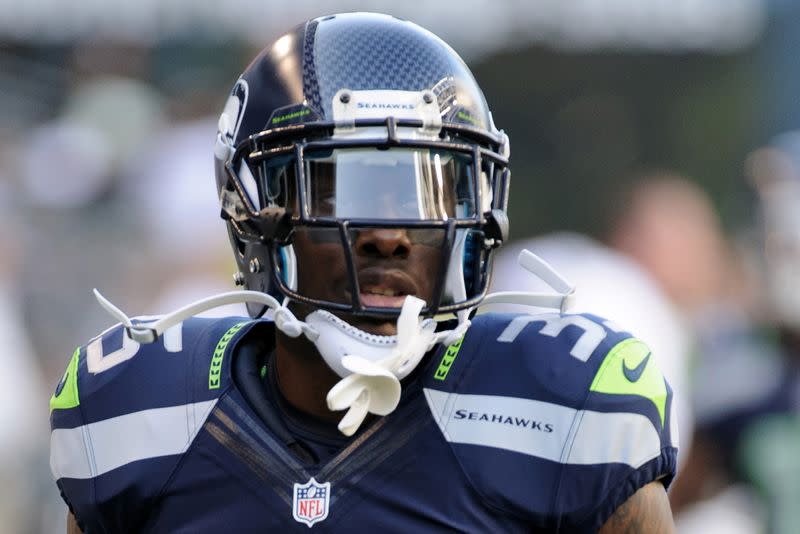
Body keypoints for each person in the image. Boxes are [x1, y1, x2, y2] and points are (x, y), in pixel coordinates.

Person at [50, 13, 677, 532]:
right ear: (253, 212)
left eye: (429, 191)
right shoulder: (138, 417)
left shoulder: (561, 411)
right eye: (343, 188)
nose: (389, 234)